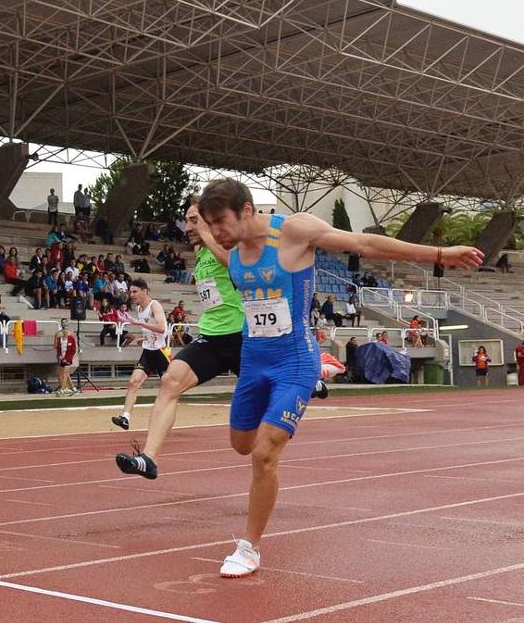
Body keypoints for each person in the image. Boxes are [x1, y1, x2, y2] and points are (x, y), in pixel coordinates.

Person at [193, 178, 481, 579]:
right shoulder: (233, 252)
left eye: (219, 222)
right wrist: (202, 228)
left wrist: (437, 253)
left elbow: (364, 245)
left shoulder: (294, 230)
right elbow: (218, 246)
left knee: (264, 453)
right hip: (254, 361)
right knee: (241, 446)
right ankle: (313, 380)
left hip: (294, 360)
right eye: (209, 224)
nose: (216, 232)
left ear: (246, 210)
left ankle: (249, 548)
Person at [116, 205, 243, 480]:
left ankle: (314, 375)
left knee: (265, 405)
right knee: (169, 381)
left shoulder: (229, 241)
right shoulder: (199, 252)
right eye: (186, 221)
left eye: (193, 220)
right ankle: (148, 459)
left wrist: (208, 234)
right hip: (212, 338)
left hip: (244, 337)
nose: (186, 227)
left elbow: (236, 266)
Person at [110, 279, 169, 430]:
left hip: (161, 352)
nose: (132, 295)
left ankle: (164, 419)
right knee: (133, 382)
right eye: (130, 292)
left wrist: (140, 324)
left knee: (169, 390)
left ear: (145, 291)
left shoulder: (154, 305)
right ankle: (125, 417)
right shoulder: (139, 308)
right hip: (148, 352)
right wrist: (143, 337)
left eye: (135, 291)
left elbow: (162, 328)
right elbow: (152, 330)